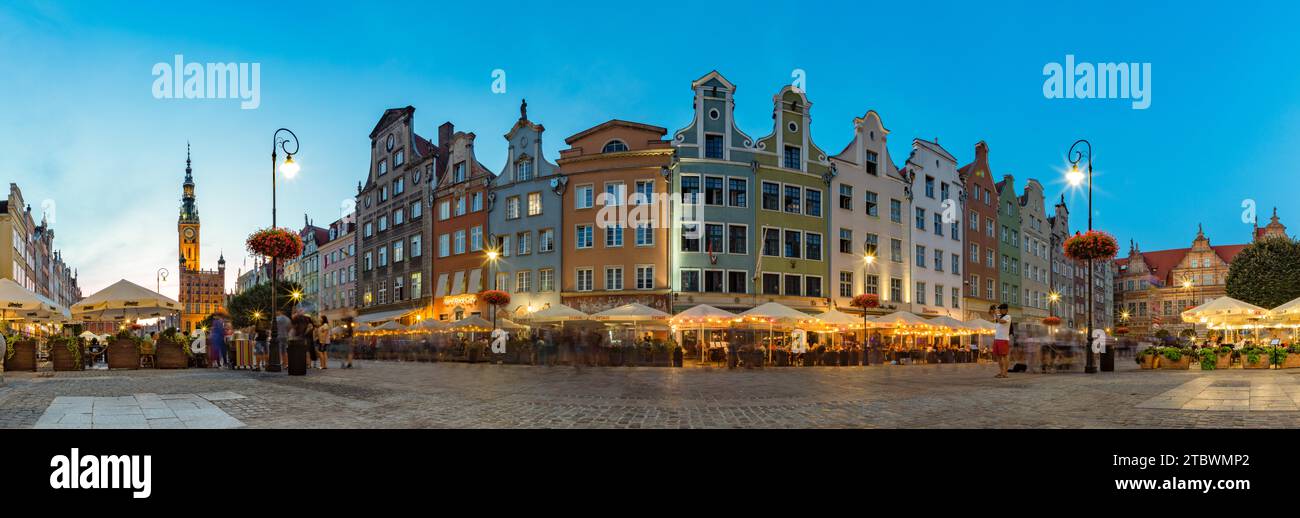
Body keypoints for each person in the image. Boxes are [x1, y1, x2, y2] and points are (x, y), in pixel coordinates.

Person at [992, 304, 1012, 378]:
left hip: (1003, 339)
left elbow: (1001, 321)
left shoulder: (1008, 317)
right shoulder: (999, 316)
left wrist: (996, 314)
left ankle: (1005, 373)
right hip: (997, 338)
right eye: (999, 309)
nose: (1000, 310)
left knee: (1004, 356)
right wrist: (993, 311)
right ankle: (1001, 372)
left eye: (1001, 309)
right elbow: (992, 317)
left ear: (1006, 310)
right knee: (998, 356)